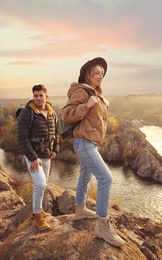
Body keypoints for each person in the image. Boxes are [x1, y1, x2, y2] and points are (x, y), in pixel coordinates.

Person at [61, 57, 124, 247]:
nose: (100, 76)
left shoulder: (94, 94)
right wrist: (87, 105)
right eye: (96, 72)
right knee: (106, 179)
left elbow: (93, 119)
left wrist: (101, 105)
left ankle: (79, 210)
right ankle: (103, 225)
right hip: (84, 143)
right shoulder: (82, 92)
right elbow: (66, 115)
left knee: (84, 179)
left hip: (90, 143)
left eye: (102, 74)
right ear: (87, 74)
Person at [17, 84, 59, 231]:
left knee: (44, 185)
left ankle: (39, 210)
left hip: (46, 156)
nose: (38, 98)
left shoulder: (52, 112)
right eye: (36, 95)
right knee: (40, 184)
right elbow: (22, 138)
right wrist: (33, 158)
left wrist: (55, 149)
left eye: (41, 95)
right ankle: (37, 216)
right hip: (34, 157)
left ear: (46, 96)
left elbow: (55, 133)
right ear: (33, 96)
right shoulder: (27, 113)